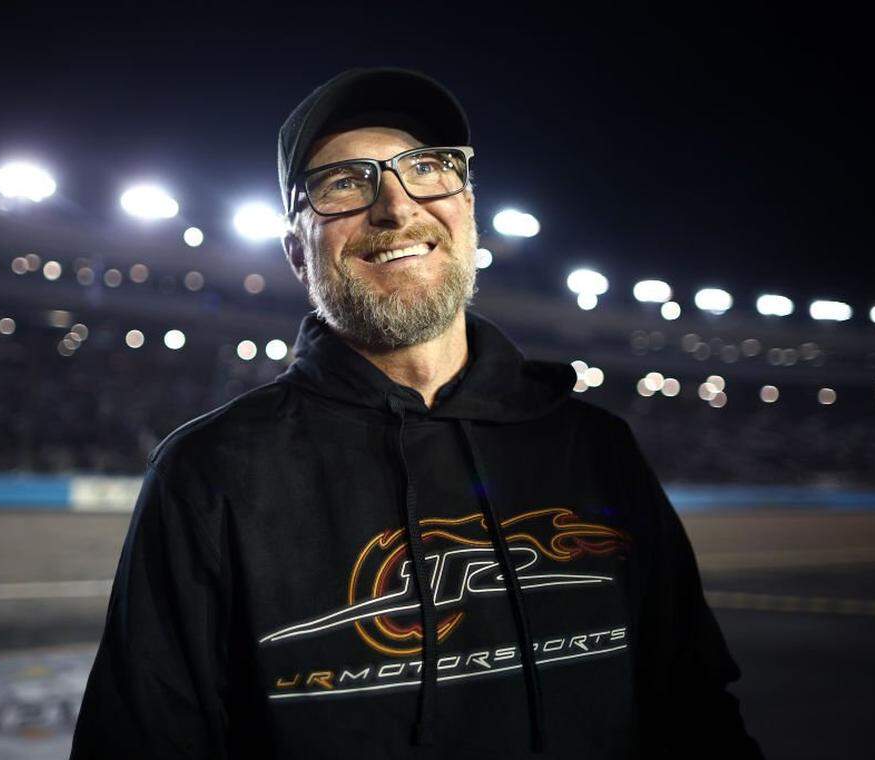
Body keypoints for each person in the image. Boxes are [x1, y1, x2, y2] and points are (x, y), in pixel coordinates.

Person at [71, 67, 765, 758]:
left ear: (468, 211)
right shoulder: (211, 474)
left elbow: (695, 713)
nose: (396, 208)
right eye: (344, 183)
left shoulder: (597, 448)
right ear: (296, 253)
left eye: (427, 169)